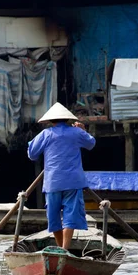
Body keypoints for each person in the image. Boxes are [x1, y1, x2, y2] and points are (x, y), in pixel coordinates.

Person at [27, 102, 96, 250]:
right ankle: (64, 249)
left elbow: (32, 154)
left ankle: (62, 250)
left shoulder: (46, 134)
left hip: (53, 182)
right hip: (72, 182)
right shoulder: (76, 132)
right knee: (70, 217)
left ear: (51, 121)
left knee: (54, 219)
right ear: (67, 119)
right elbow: (91, 143)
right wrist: (83, 130)